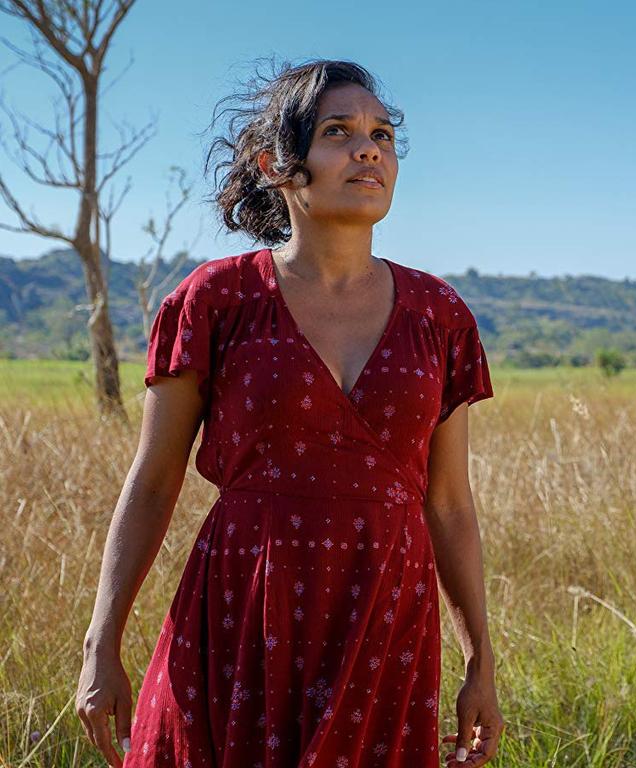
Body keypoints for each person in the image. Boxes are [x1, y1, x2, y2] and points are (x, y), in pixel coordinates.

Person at [76, 60, 503, 768]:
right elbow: (153, 482)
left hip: (384, 620)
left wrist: (479, 662)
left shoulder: (440, 315)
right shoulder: (215, 301)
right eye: (338, 132)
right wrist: (102, 643)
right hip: (241, 615)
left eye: (382, 134)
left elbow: (450, 504)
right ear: (277, 165)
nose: (368, 149)